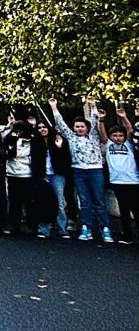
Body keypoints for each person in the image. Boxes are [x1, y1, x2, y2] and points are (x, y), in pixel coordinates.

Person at [50, 97, 112, 242]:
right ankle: (86, 227)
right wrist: (54, 107)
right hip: (78, 171)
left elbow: (96, 120)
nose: (79, 129)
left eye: (82, 126)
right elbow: (61, 124)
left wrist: (92, 105)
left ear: (87, 128)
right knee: (84, 201)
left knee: (99, 200)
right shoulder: (71, 137)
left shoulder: (94, 136)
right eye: (77, 126)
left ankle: (105, 229)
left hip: (95, 170)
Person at [101, 105, 138, 245]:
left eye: (120, 135)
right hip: (117, 181)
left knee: (136, 209)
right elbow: (102, 134)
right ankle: (127, 236)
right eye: (115, 135)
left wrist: (124, 117)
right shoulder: (108, 145)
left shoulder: (129, 144)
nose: (117, 138)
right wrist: (102, 120)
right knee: (124, 210)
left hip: (133, 181)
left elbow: (129, 130)